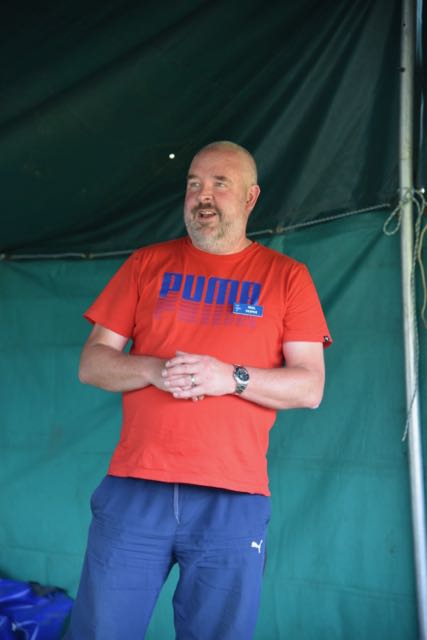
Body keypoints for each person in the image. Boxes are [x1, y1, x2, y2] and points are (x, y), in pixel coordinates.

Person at [65, 141, 332, 640]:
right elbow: (92, 363)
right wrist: (151, 369)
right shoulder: (146, 264)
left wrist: (230, 377)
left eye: (219, 184)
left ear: (251, 197)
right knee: (100, 630)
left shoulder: (287, 278)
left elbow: (310, 386)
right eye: (194, 184)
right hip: (136, 487)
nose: (202, 195)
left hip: (233, 496)